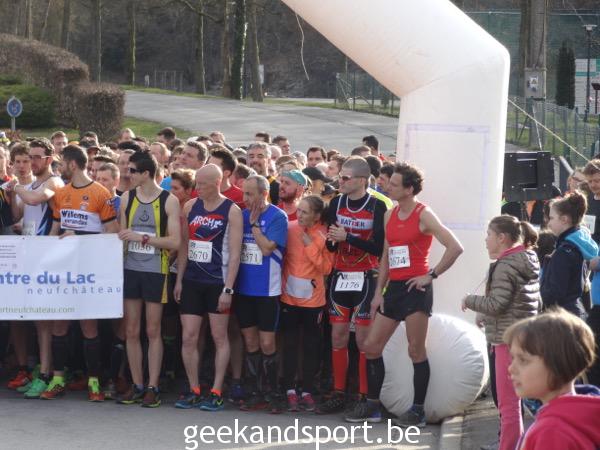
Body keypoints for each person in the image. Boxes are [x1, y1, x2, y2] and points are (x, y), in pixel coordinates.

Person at [349, 162, 463, 426]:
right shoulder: (390, 214)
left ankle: (417, 410)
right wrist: (379, 292)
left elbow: (455, 247)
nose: (387, 187)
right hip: (394, 289)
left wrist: (431, 275)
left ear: (409, 189)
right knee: (371, 346)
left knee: (415, 349)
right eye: (388, 183)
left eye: (394, 184)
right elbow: (386, 255)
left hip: (416, 289)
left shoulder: (424, 214)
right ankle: (372, 406)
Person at [42, 145, 119, 402]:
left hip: (89, 270)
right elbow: (55, 229)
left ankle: (94, 382)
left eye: (62, 163)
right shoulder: (61, 193)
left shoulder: (100, 193)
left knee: (89, 325)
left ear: (72, 164)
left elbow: (112, 233)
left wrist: (81, 237)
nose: (59, 167)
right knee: (59, 323)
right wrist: (42, 254)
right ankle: (57, 379)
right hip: (64, 269)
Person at [462, 215, 541, 450]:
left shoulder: (505, 265)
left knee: (508, 406)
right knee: (515, 402)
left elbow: (497, 304)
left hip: (506, 340)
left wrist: (470, 300)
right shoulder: (526, 258)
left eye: (488, 235)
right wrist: (485, 314)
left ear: (501, 238)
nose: (485, 240)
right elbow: (521, 302)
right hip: (524, 337)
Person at [317, 156, 387, 415]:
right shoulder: (337, 202)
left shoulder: (377, 205)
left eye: (345, 178)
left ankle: (364, 396)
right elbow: (331, 243)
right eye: (340, 177)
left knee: (363, 340)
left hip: (366, 276)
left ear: (361, 180)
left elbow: (379, 248)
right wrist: (334, 241)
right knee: (338, 336)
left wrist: (349, 237)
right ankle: (338, 392)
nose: (341, 182)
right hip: (341, 274)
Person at [174, 164, 243, 411]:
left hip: (217, 282)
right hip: (192, 280)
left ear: (216, 183)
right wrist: (179, 279)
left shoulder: (232, 210)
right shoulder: (190, 206)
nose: (197, 188)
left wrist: (228, 289)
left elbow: (235, 254)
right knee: (189, 336)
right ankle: (194, 389)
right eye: (197, 183)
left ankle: (216, 390)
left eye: (202, 184)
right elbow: (184, 245)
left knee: (219, 337)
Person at [117, 151, 181, 408]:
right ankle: (137, 384)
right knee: (131, 330)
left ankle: (153, 386)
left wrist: (143, 238)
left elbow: (175, 241)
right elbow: (123, 236)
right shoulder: (127, 197)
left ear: (146, 173)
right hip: (131, 269)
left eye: (132, 171)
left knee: (153, 330)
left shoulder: (169, 200)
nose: (128, 174)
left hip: (156, 270)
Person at [7, 138, 64, 398]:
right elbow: (17, 215)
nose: (32, 161)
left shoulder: (53, 182)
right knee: (39, 321)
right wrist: (12, 195)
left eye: (36, 157)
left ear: (49, 159)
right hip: (31, 257)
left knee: (48, 322)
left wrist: (17, 187)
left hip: (48, 258)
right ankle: (43, 370)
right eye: (30, 157)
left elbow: (35, 199)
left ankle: (49, 374)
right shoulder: (28, 185)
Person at [505, 309, 600, 450]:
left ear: (558, 365)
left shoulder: (551, 432)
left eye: (523, 360)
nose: (511, 368)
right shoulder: (582, 412)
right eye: (513, 358)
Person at [234, 175, 288, 413]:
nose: (245, 198)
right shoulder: (240, 215)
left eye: (250, 194)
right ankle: (255, 392)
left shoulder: (277, 216)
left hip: (267, 289)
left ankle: (274, 393)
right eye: (244, 193)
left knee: (267, 343)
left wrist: (255, 226)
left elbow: (267, 249)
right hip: (243, 288)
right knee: (250, 341)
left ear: (264, 194)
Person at [281, 195, 333, 412]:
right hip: (289, 298)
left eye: (304, 212)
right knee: (290, 344)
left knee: (311, 346)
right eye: (299, 210)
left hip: (313, 301)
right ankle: (289, 390)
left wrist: (310, 246)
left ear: (317, 216)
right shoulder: (290, 228)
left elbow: (327, 268)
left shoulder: (325, 234)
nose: (299, 215)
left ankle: (308, 390)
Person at [541, 192, 598, 320]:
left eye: (551, 218)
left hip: (563, 316)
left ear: (564, 219)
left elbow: (554, 293)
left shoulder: (564, 252)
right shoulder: (577, 245)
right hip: (575, 312)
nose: (548, 223)